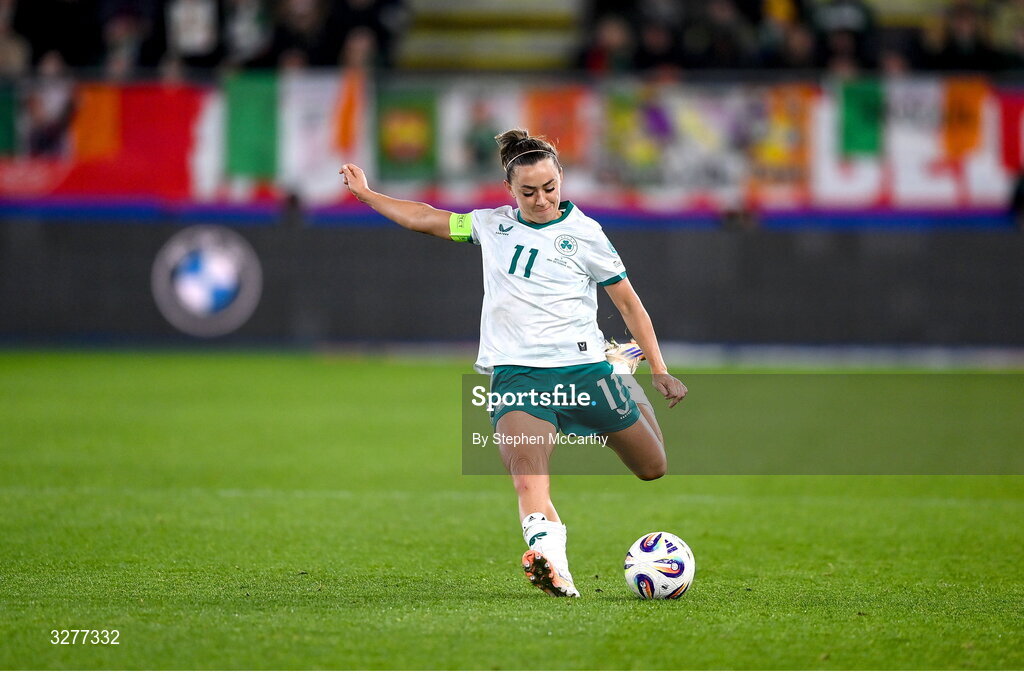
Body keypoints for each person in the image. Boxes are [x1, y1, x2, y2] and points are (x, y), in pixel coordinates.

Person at [339, 129, 687, 598]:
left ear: (561, 179)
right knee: (528, 477)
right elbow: (425, 217)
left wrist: (659, 368)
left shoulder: (585, 235)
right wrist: (366, 194)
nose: (541, 200)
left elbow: (629, 304)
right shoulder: (490, 226)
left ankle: (622, 372)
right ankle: (552, 566)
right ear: (510, 190)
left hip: (585, 372)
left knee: (652, 467)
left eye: (549, 188)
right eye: (528, 192)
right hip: (516, 377)